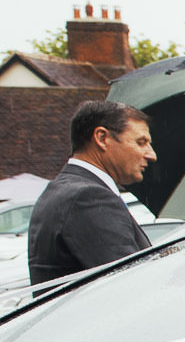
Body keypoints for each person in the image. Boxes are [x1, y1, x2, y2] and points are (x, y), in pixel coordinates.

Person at [28, 100, 154, 285]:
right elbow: (131, 285)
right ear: (102, 138)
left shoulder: (62, 190)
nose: (151, 154)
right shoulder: (88, 198)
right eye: (141, 142)